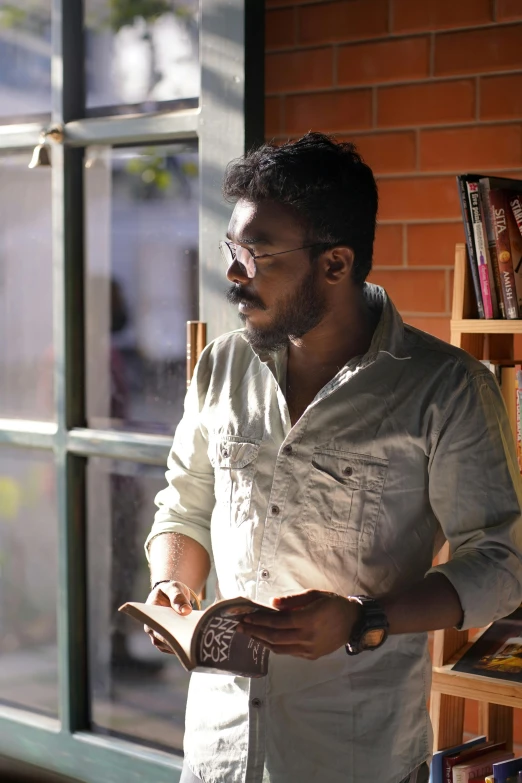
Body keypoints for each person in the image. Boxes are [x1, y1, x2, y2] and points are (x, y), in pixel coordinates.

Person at [143, 132, 522, 783]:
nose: (234, 273)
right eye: (232, 248)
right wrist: (175, 583)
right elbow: (185, 503)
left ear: (336, 265)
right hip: (219, 752)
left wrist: (365, 617)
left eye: (257, 255)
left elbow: (504, 561)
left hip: (354, 756)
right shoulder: (220, 364)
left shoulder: (449, 386)